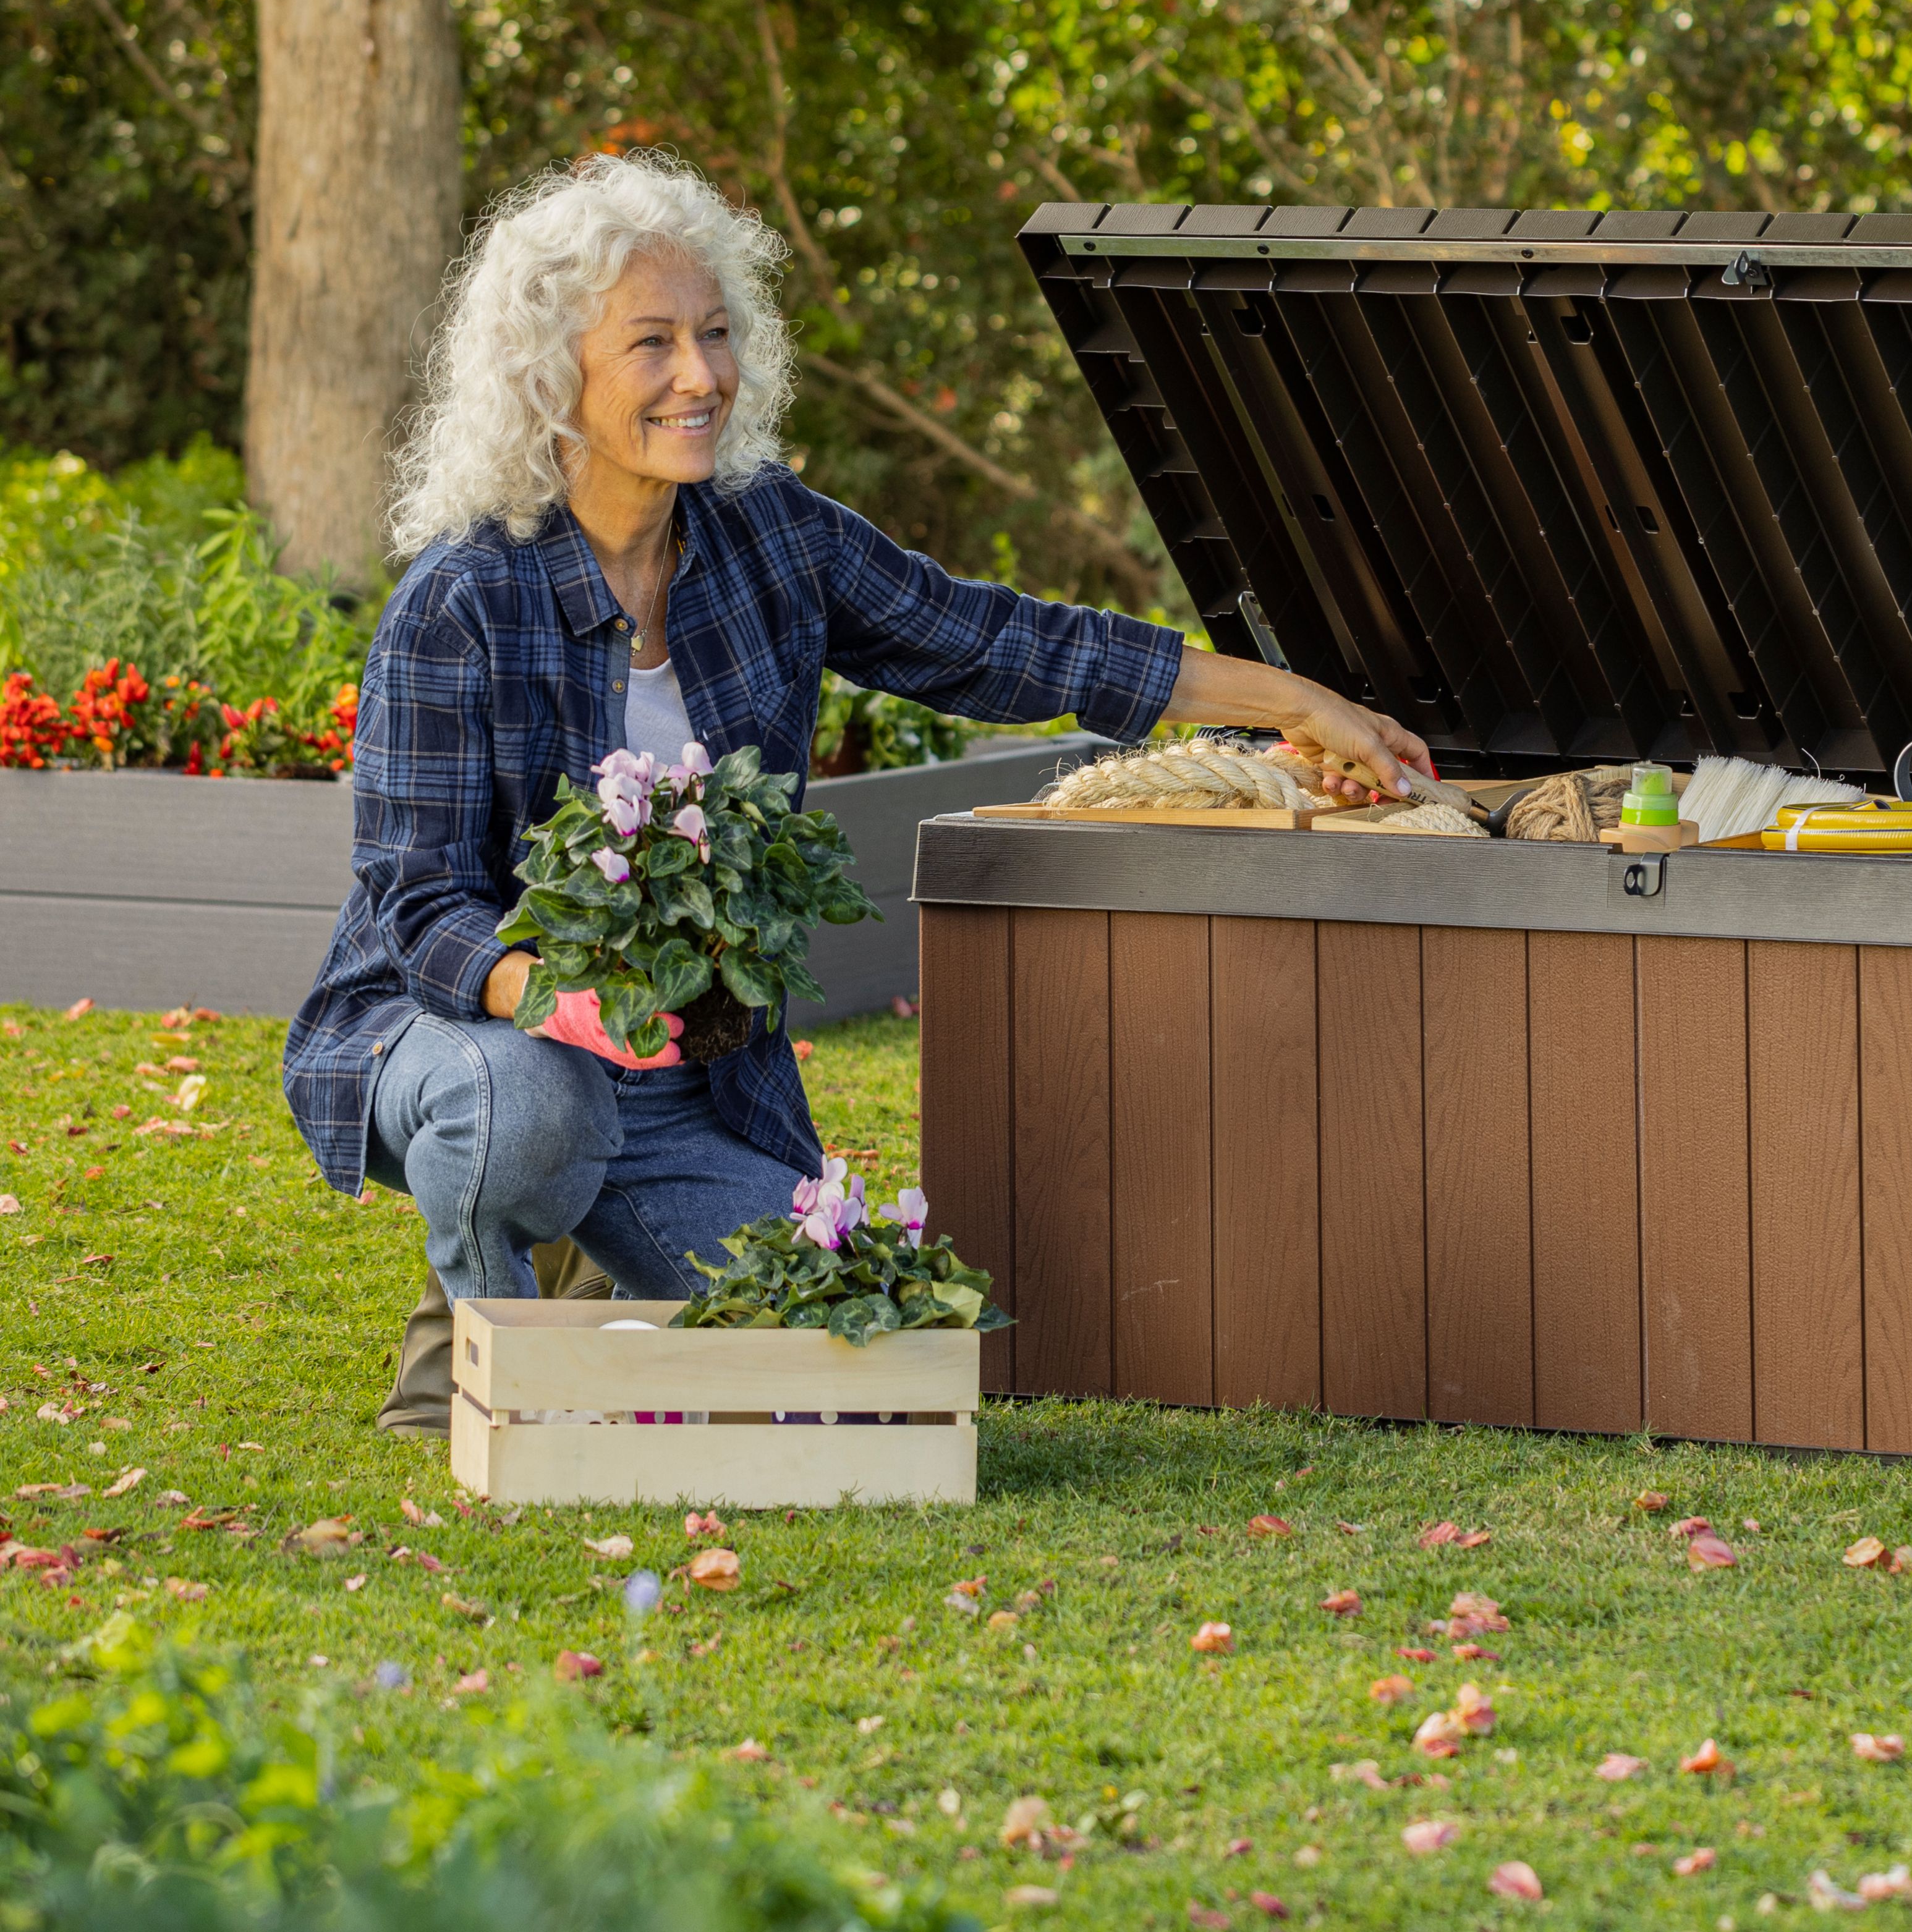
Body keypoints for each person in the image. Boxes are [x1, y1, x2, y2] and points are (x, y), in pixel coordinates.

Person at [285, 153, 1429, 1438]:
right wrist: (553, 994)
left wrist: (1287, 702)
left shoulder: (772, 537)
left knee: (877, 1369)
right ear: (557, 373)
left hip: (681, 1079)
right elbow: (416, 903)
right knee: (530, 1113)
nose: (702, 375)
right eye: (652, 344)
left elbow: (1010, 644)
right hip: (470, 1042)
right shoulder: (462, 599)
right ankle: (477, 1359)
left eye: (715, 335)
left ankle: (583, 1242)